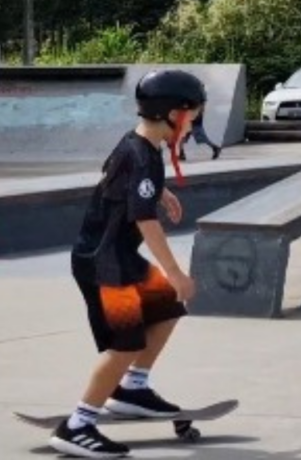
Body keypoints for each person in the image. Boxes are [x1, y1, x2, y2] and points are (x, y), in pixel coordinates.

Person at [50, 69, 206, 459]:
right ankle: (77, 426)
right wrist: (175, 271)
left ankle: (132, 389)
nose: (192, 128)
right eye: (192, 119)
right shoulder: (141, 157)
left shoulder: (137, 146)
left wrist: (160, 191)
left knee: (167, 308)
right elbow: (144, 220)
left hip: (120, 259)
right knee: (124, 345)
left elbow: (117, 179)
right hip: (105, 265)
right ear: (173, 113)